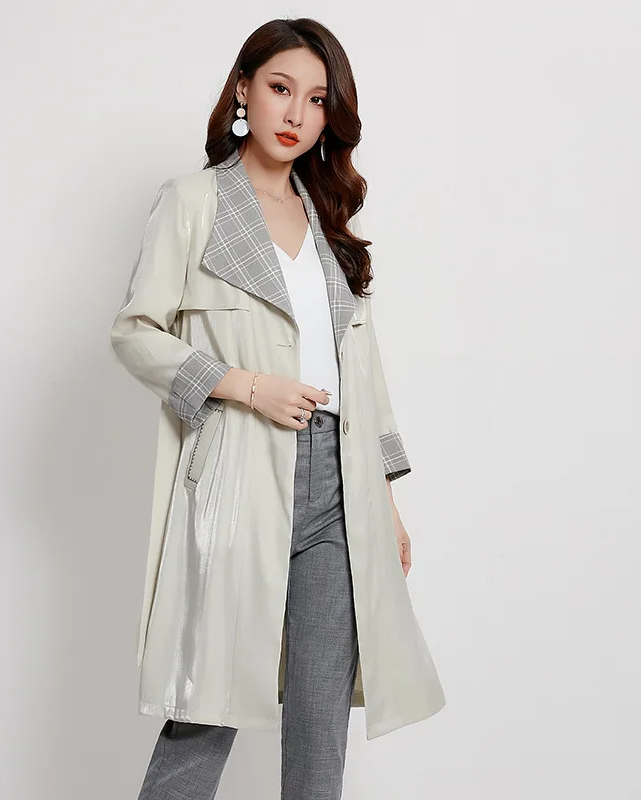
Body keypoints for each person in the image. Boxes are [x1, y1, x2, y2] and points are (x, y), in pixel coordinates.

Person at [110, 17, 446, 800]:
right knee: (208, 706)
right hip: (239, 473)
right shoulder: (194, 202)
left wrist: (385, 501)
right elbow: (134, 333)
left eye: (317, 99)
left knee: (321, 723)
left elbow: (362, 371)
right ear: (243, 90)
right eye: (279, 88)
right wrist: (245, 384)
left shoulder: (328, 217)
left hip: (339, 485)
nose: (296, 113)